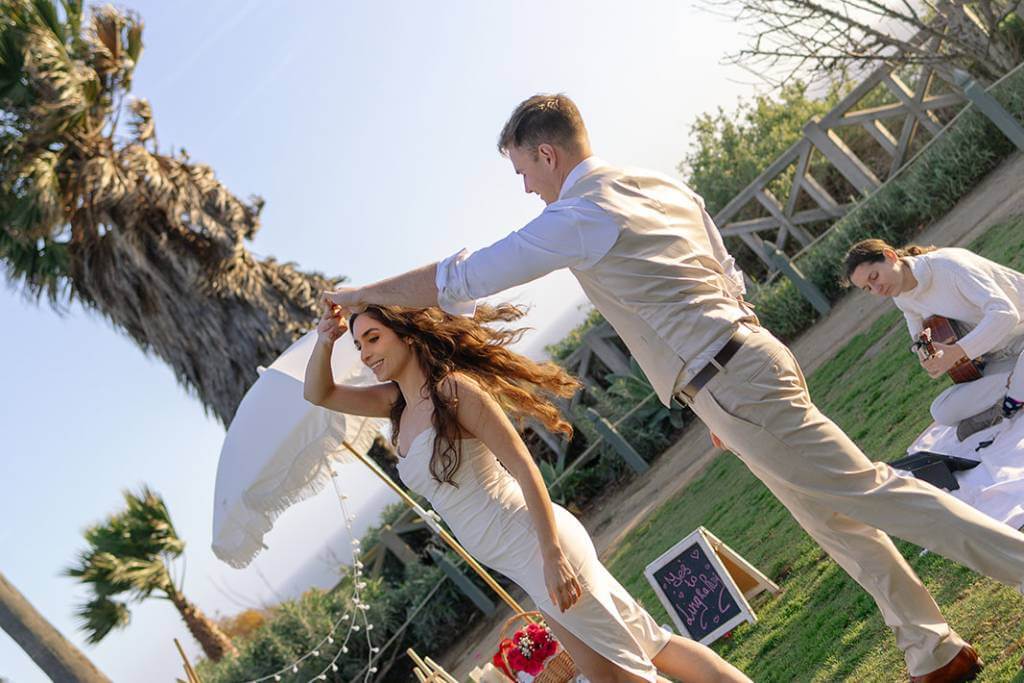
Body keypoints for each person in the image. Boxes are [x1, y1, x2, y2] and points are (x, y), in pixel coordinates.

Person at [322, 93, 1024, 682]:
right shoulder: (658, 183)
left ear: (547, 154)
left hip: (732, 377)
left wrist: (362, 293)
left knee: (875, 492)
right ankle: (932, 649)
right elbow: (729, 276)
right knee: (834, 521)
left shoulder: (579, 215)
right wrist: (715, 391)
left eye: (523, 171)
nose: (526, 188)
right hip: (743, 366)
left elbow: (464, 279)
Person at [304, 301, 751, 683]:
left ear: (407, 334)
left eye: (373, 338)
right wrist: (327, 338)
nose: (364, 353)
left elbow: (522, 466)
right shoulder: (395, 406)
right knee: (642, 649)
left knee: (628, 672)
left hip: (541, 547)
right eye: (359, 344)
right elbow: (318, 392)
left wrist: (553, 556)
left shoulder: (454, 391)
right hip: (525, 561)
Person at [845, 238, 1024, 440]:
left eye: (874, 276)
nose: (877, 289)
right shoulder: (902, 297)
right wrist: (927, 357)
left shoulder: (949, 266)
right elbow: (918, 338)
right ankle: (1014, 392)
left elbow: (1006, 314)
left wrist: (957, 351)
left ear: (890, 256)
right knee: (941, 411)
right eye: (868, 288)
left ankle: (1008, 401)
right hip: (999, 360)